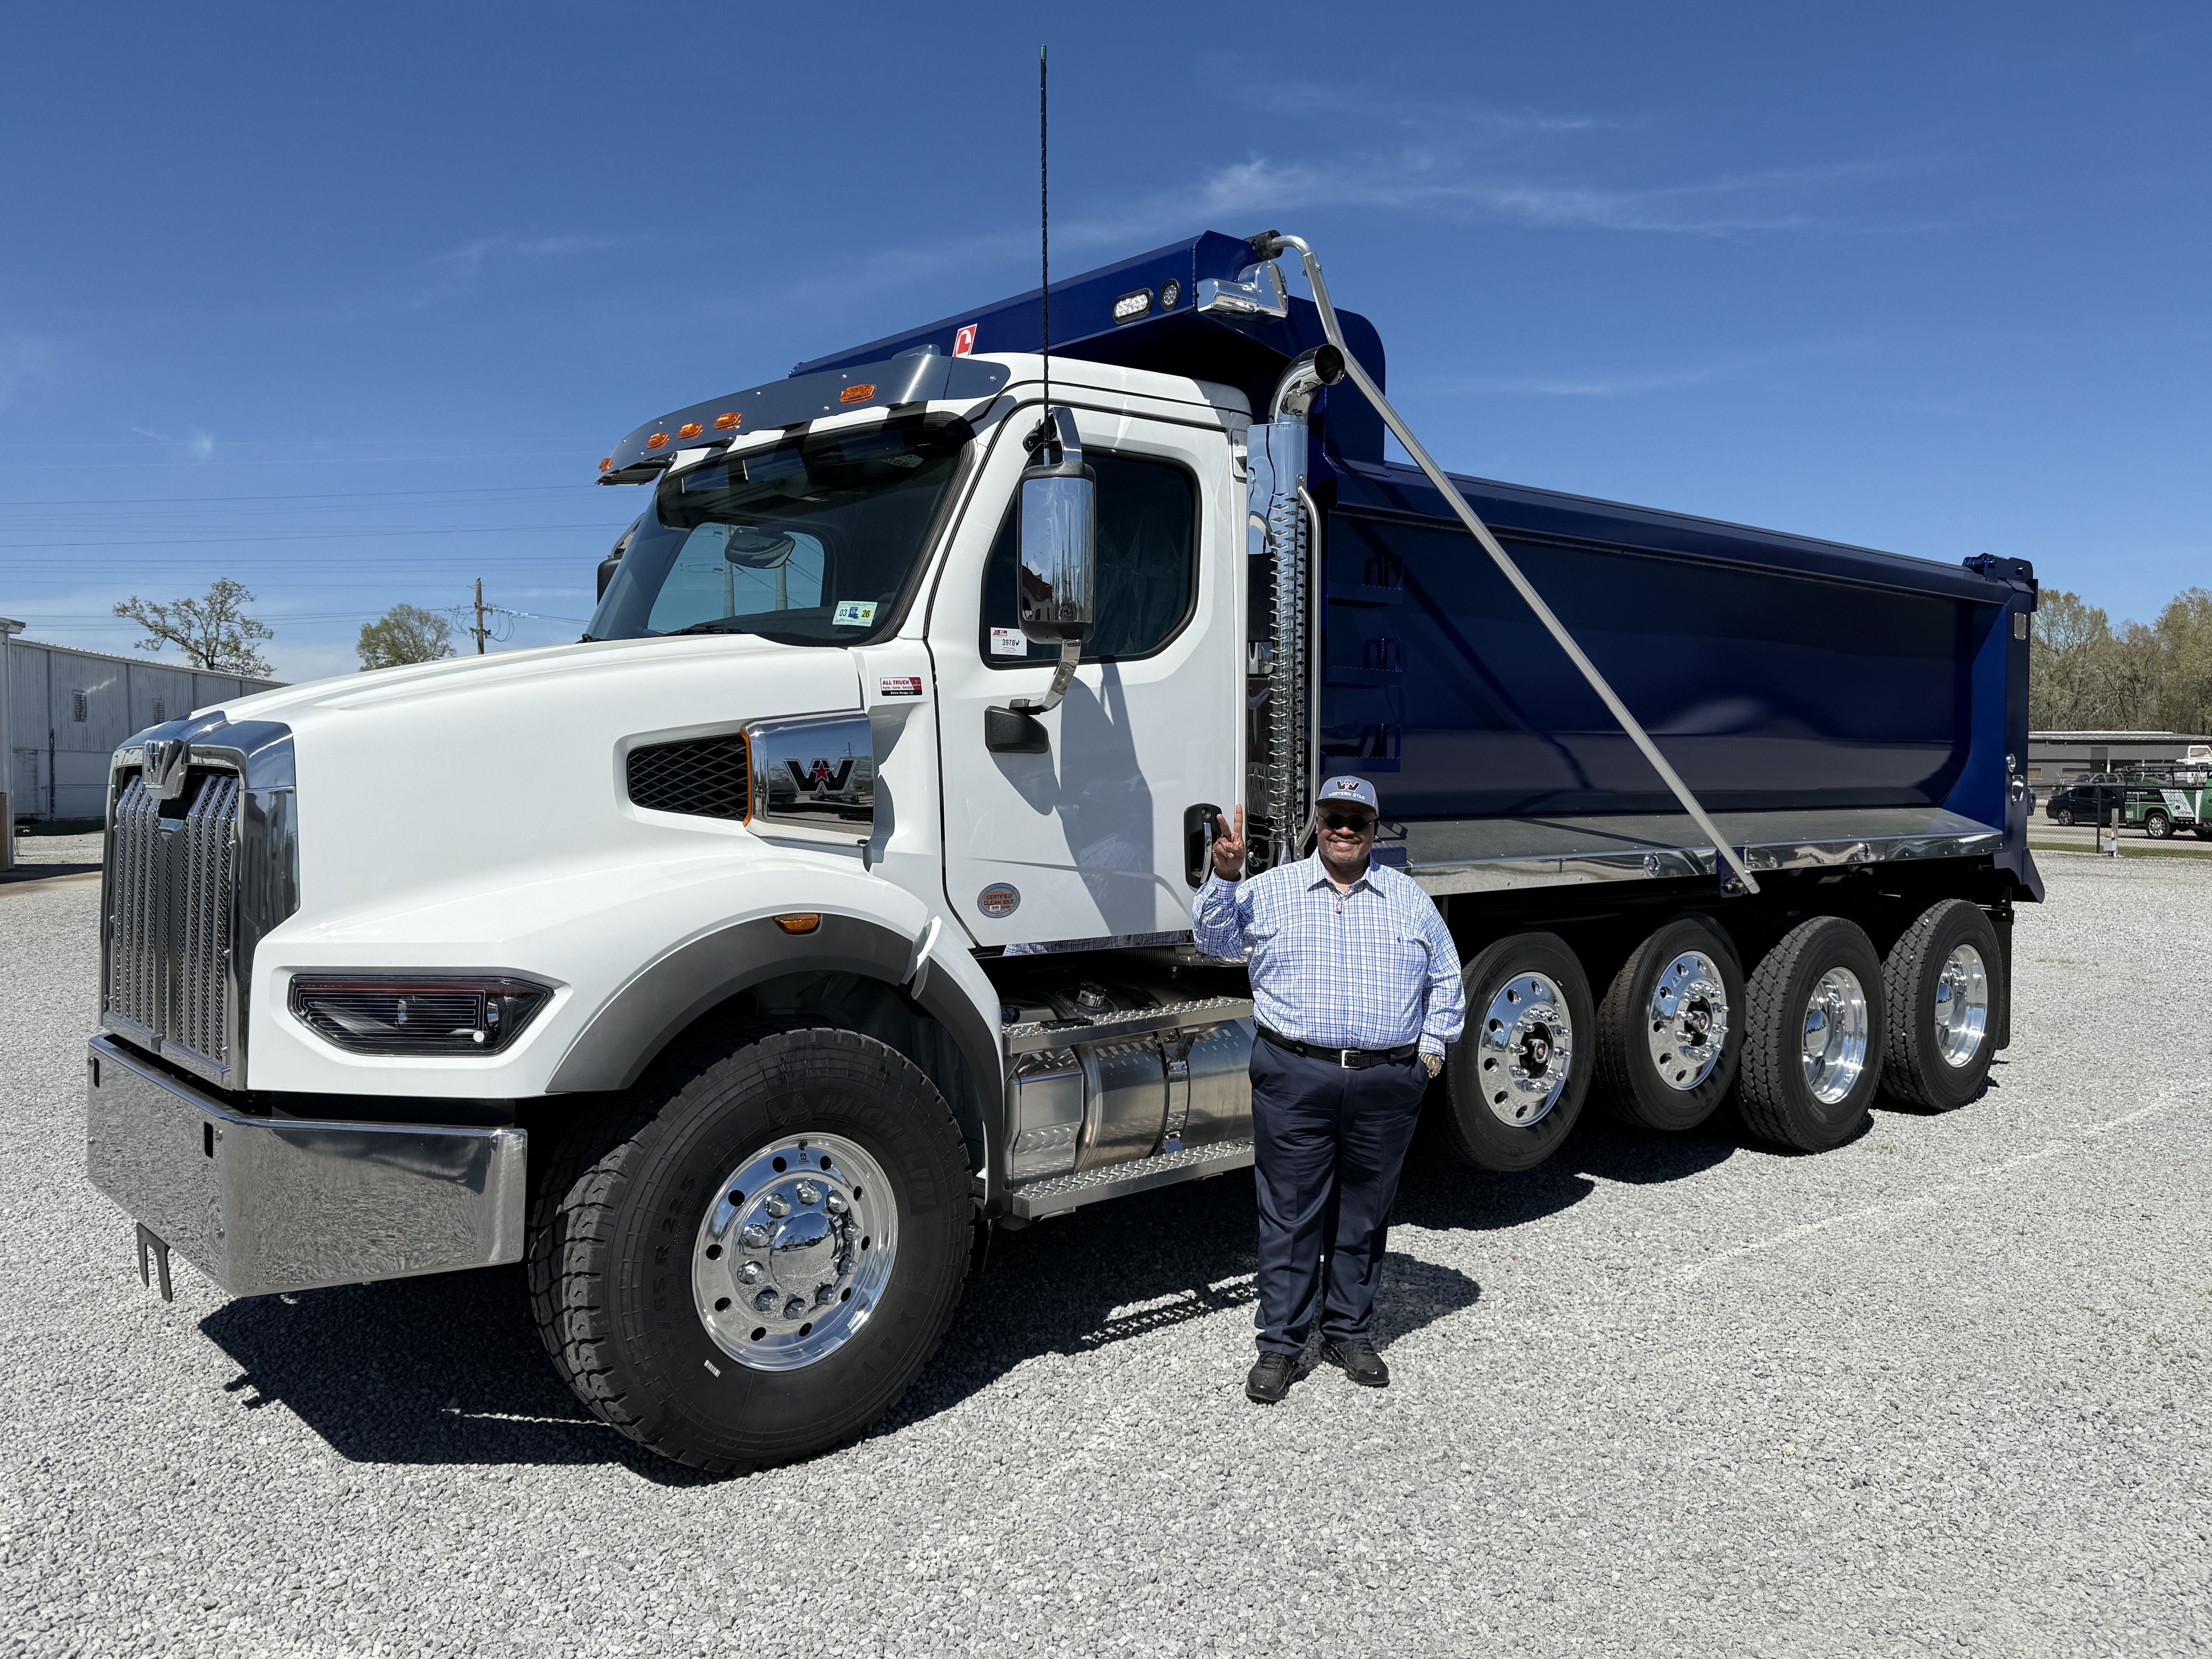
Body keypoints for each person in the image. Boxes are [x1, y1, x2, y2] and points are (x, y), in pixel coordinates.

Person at [1192, 777, 1466, 1404]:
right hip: (1296, 1076)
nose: (1345, 829)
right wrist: (1225, 878)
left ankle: (1349, 1331)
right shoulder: (1271, 890)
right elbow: (1213, 941)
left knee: (1366, 1212)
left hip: (1385, 1082)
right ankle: (1282, 1347)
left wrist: (1428, 1054)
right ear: (1316, 823)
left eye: (1358, 820)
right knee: (1290, 1215)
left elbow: (1447, 975)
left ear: (1376, 829)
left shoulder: (1408, 899)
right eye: (1335, 817)